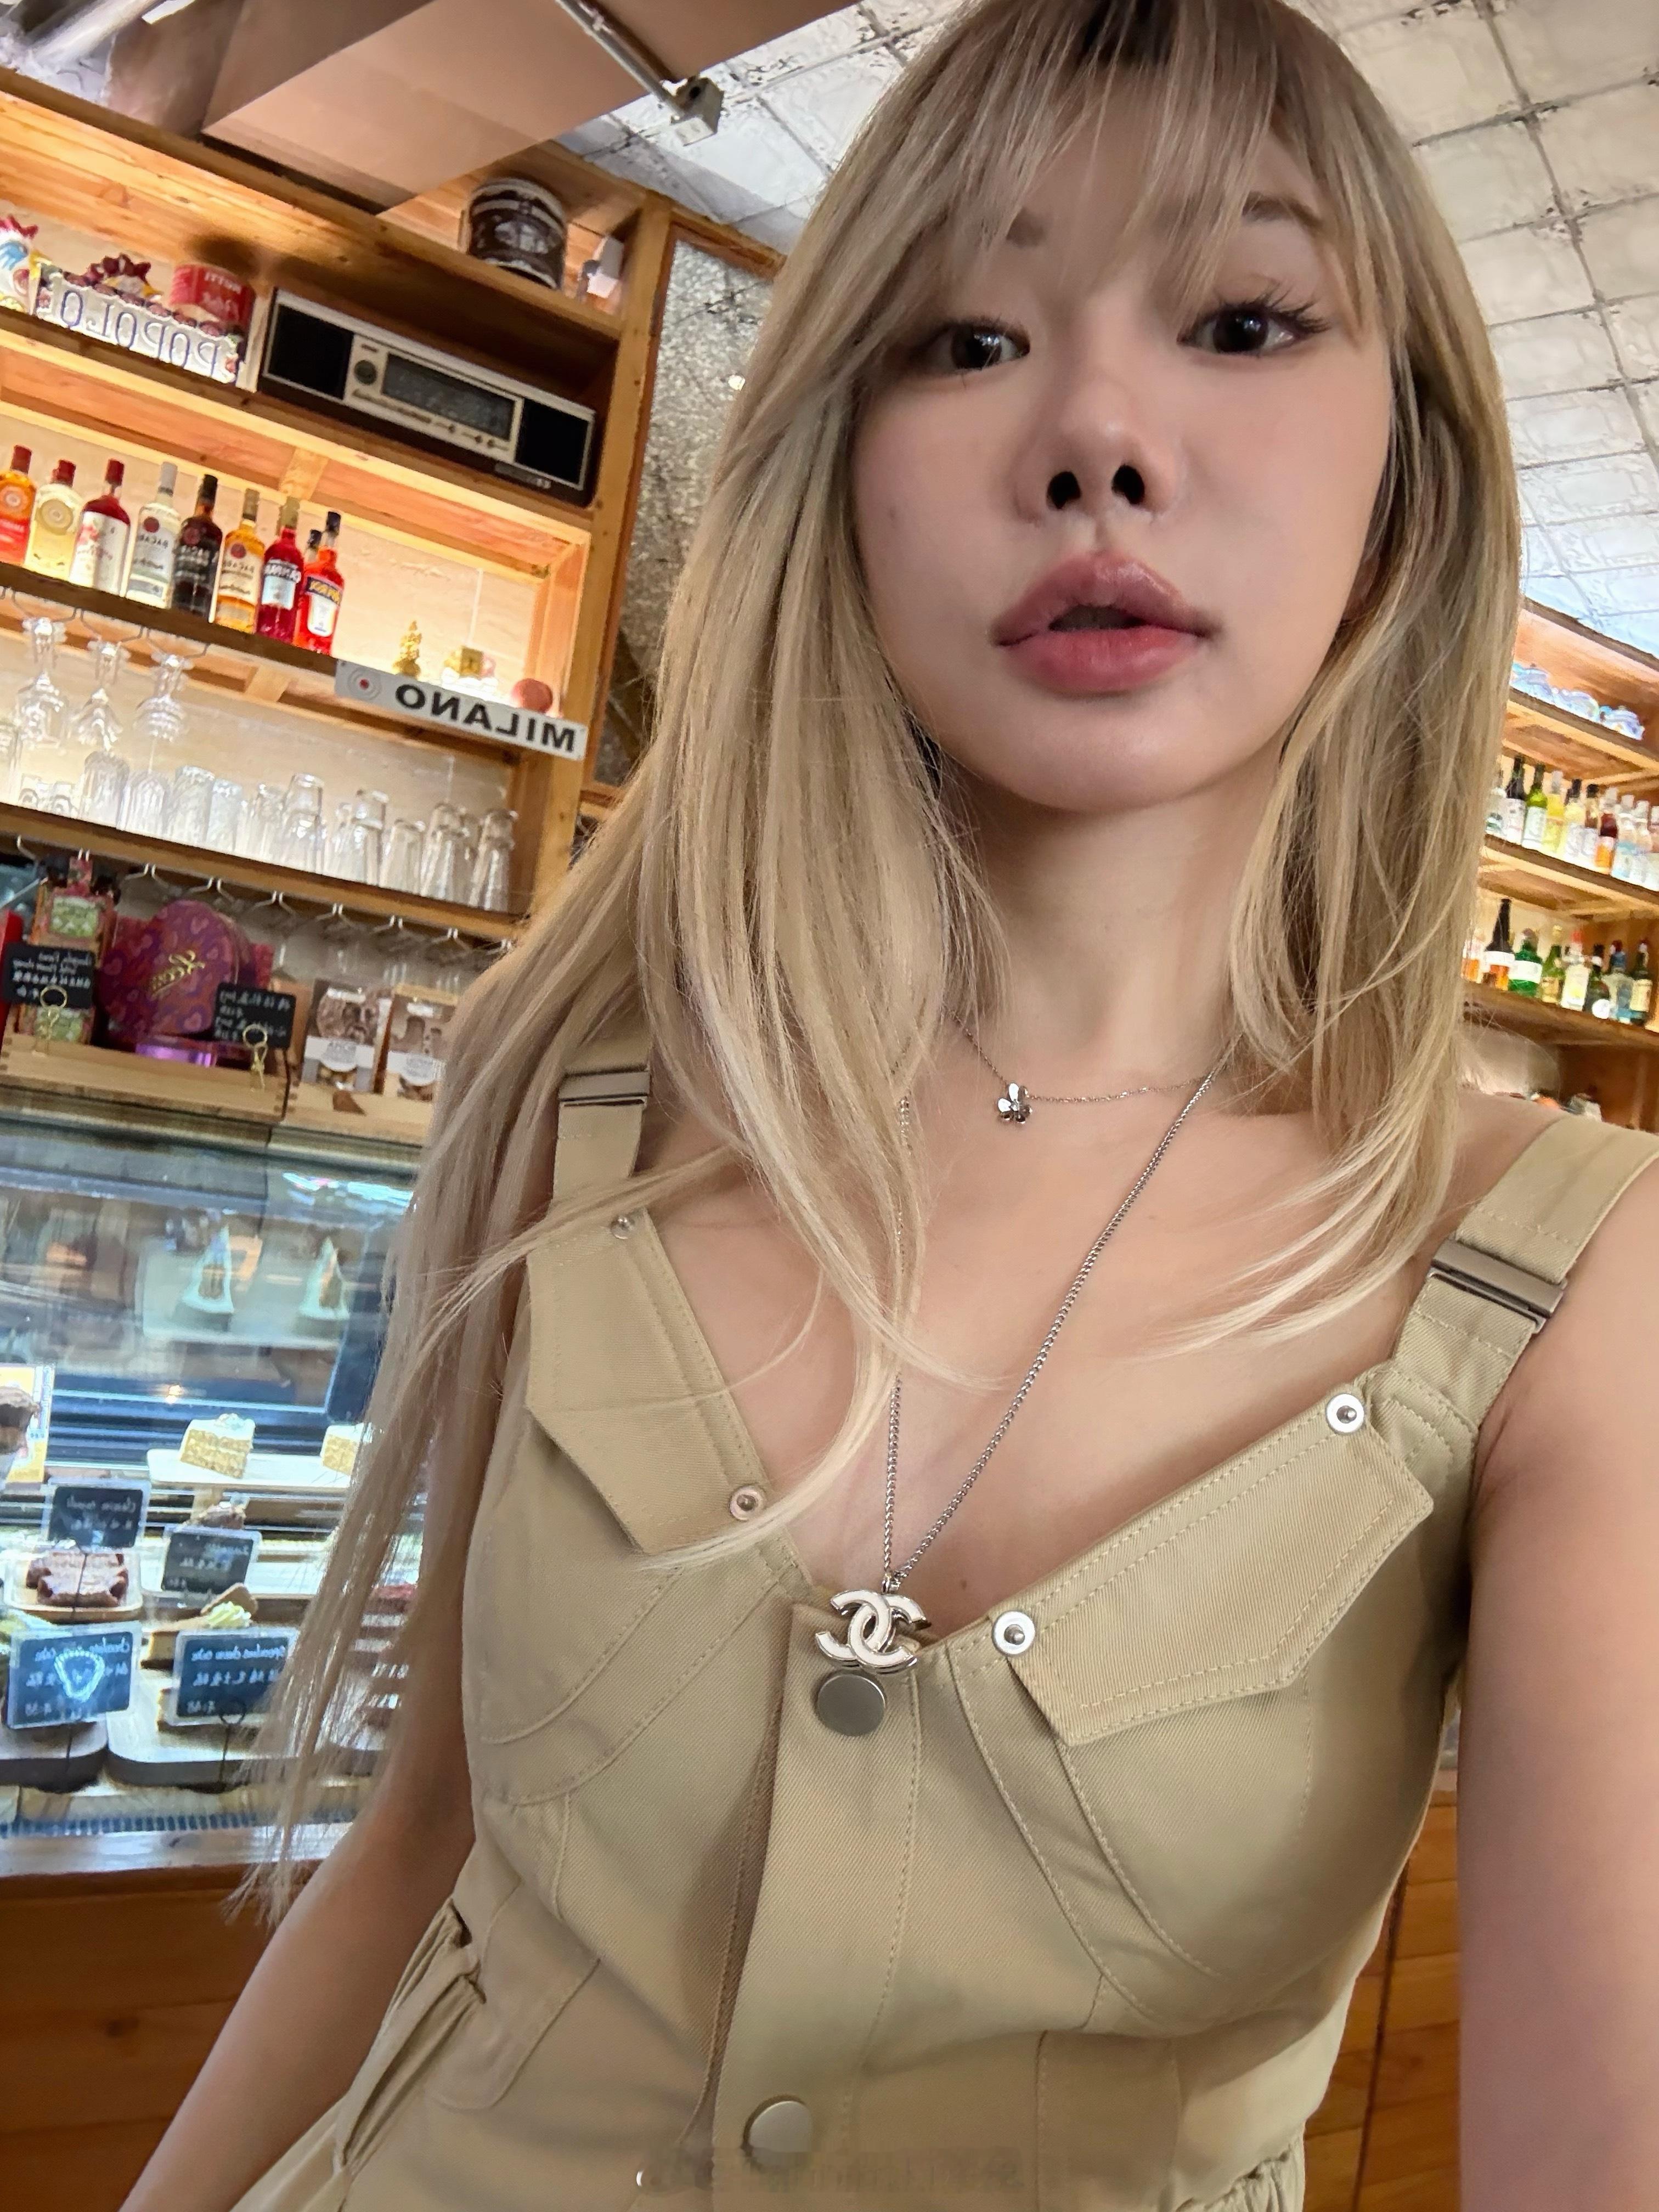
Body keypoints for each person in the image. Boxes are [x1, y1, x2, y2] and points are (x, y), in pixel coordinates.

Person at [124, 2, 1659, 2208]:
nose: (1099, 435)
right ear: (839, 467)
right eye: (965, 341)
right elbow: (418, 1855)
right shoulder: (574, 1093)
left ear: (1407, 477)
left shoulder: (1571, 1283)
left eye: (1243, 320)